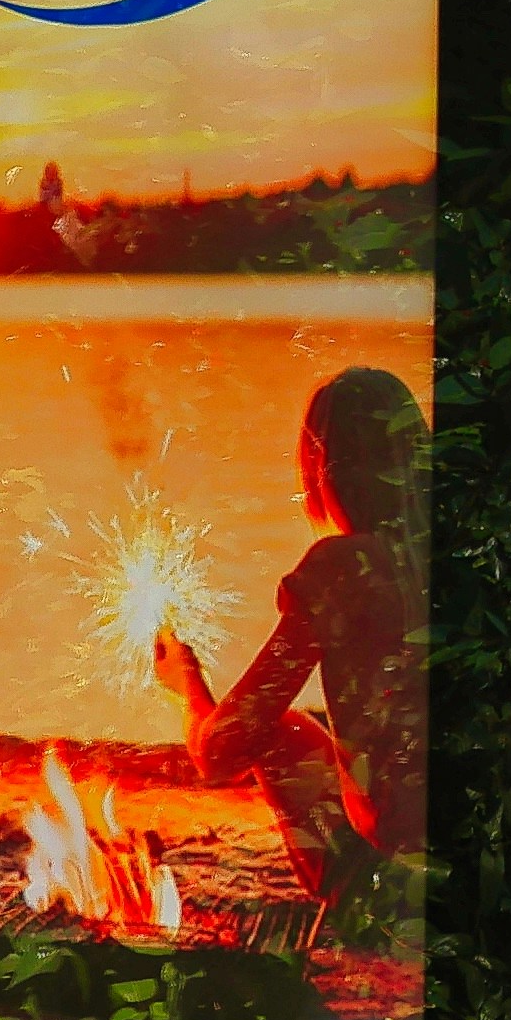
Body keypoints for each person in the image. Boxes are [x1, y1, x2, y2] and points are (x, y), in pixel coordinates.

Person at [162, 364, 431, 943]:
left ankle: (356, 902)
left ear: (325, 467)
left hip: (402, 886)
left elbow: (221, 750)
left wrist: (186, 682)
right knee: (305, 729)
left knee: (275, 732)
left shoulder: (341, 571)